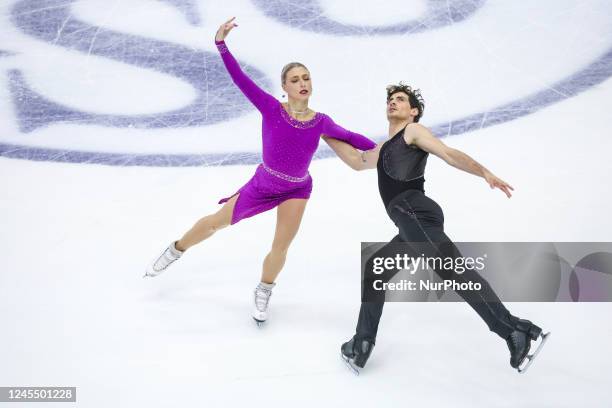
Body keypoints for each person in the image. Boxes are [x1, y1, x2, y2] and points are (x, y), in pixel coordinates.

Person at [144, 18, 376, 326]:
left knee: (281, 246)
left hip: (297, 189)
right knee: (215, 224)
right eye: (295, 79)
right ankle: (176, 249)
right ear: (284, 86)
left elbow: (352, 137)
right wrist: (221, 44)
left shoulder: (321, 121)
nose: (302, 83)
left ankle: (264, 289)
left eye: (306, 77)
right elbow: (240, 79)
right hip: (264, 183)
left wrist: (388, 147)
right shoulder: (271, 108)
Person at [325, 83, 549, 373]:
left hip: (413, 212)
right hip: (410, 222)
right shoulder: (383, 148)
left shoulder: (413, 131)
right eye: (390, 100)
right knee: (376, 271)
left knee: (452, 269)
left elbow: (448, 153)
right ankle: (362, 344)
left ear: (413, 111)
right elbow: (357, 161)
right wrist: (322, 131)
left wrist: (483, 172)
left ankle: (512, 329)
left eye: (401, 99)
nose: (393, 103)